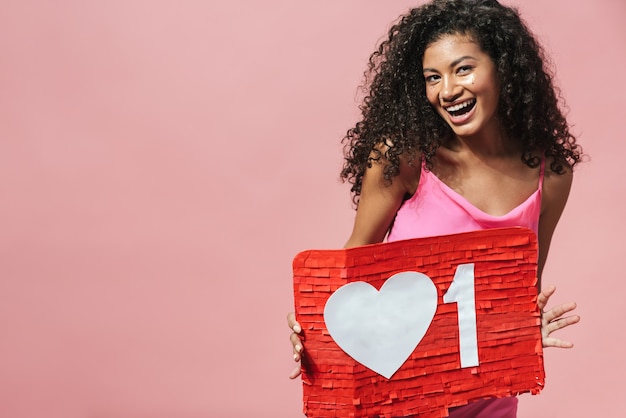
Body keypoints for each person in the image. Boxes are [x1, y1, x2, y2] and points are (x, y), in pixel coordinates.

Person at [287, 0, 583, 416]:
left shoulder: (549, 174)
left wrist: (526, 328)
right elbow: (351, 270)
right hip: (399, 396)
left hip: (490, 395)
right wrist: (315, 329)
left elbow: (521, 288)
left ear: (503, 68)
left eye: (463, 69)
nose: (446, 90)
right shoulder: (404, 159)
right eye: (432, 77)